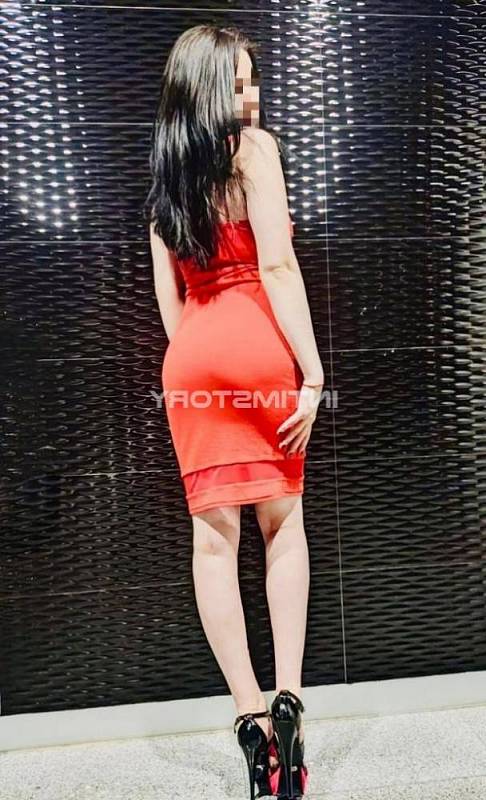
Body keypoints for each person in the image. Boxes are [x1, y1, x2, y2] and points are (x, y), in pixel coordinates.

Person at [145, 23, 324, 800]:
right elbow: (277, 265)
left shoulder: (164, 180)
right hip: (259, 346)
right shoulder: (254, 151)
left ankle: (248, 719)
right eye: (240, 81)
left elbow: (172, 308)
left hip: (192, 359)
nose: (252, 95)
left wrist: (199, 367)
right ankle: (289, 701)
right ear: (210, 88)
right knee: (282, 525)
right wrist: (312, 372)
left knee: (212, 543)